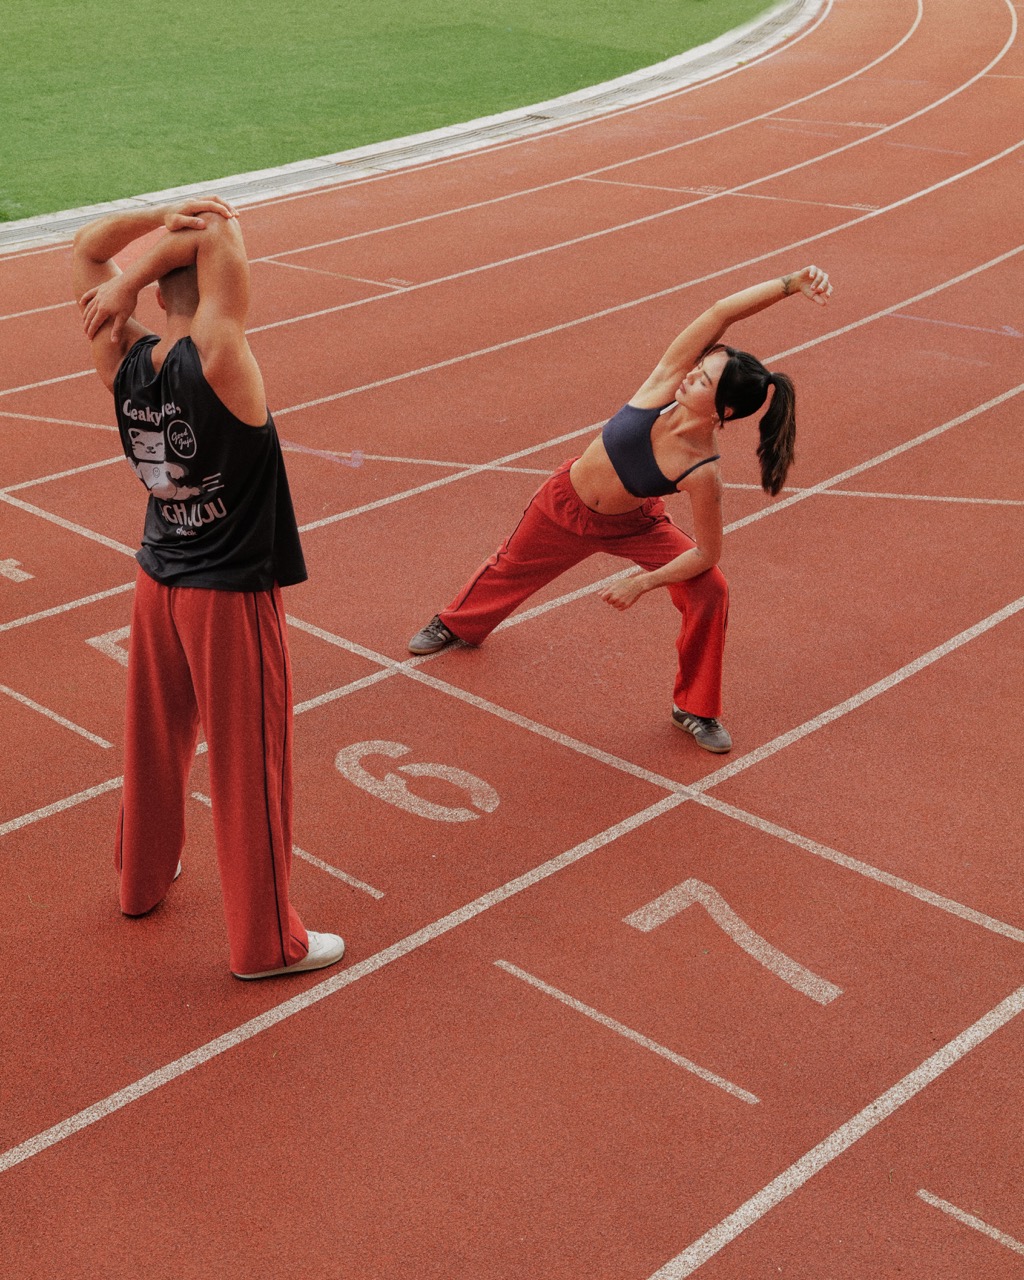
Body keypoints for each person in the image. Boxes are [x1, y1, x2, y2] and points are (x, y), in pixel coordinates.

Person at [73, 197, 345, 979]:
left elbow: (90, 247)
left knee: (152, 745)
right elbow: (222, 231)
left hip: (156, 576)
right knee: (249, 763)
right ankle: (267, 944)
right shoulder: (223, 354)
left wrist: (134, 256)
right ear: (221, 289)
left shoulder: (122, 356)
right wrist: (166, 251)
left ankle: (140, 881)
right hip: (228, 592)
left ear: (159, 293)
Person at [408, 265, 833, 753]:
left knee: (710, 589)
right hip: (564, 503)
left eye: (703, 381)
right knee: (509, 568)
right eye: (699, 367)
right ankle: (458, 624)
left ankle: (695, 707)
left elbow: (708, 553)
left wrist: (644, 581)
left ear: (724, 412)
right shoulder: (664, 383)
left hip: (633, 526)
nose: (691, 373)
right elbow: (721, 313)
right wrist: (788, 286)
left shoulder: (702, 471)